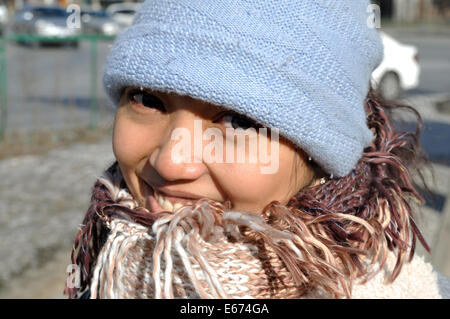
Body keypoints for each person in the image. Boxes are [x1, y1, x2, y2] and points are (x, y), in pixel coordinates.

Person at [65, 0, 448, 299]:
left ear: (324, 154)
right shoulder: (100, 260)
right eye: (147, 98)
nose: (169, 162)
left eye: (239, 122)